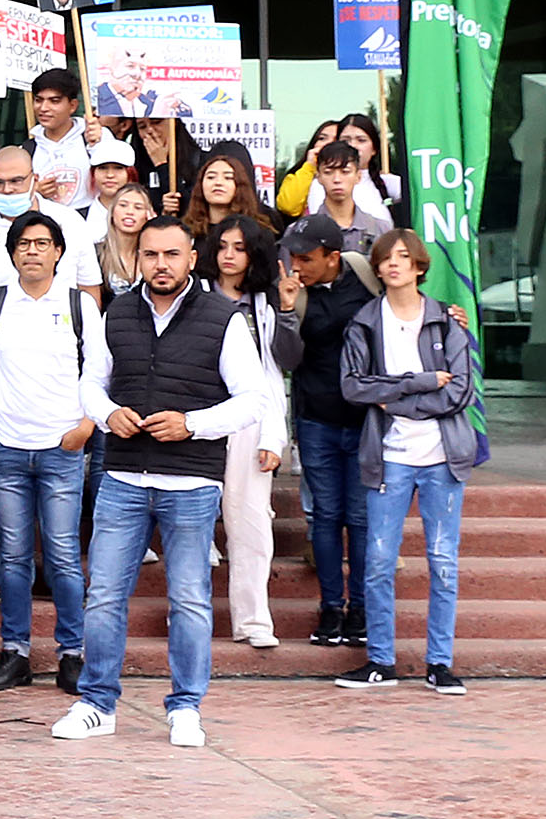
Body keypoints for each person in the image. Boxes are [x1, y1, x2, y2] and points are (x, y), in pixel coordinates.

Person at [54, 220, 279, 748]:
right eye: (151, 254)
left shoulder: (223, 317)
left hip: (192, 481)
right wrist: (107, 414)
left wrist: (192, 424)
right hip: (122, 476)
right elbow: (91, 381)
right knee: (103, 595)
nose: (161, 264)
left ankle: (186, 707)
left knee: (191, 599)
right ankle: (97, 703)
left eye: (172, 254)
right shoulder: (117, 312)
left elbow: (252, 399)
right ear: (139, 258)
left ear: (192, 258)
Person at [336, 230, 481, 694]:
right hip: (389, 455)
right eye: (386, 258)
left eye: (404, 257)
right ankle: (381, 660)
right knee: (378, 560)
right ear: (377, 268)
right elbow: (354, 386)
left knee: (443, 561)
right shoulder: (364, 323)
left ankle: (440, 663)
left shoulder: (446, 321)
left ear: (419, 266)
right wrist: (418, 383)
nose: (394, 264)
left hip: (442, 455)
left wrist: (394, 399)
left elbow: (460, 390)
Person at [0, 210, 102, 697]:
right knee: (12, 558)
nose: (32, 251)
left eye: (42, 243)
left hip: (61, 448)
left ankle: (72, 654)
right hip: (8, 447)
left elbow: (100, 372)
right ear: (12, 252)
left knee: (63, 555)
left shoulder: (80, 304)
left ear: (58, 251)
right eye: (23, 244)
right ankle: (15, 652)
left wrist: (85, 427)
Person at [279, 212, 382, 648]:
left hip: (363, 419)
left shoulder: (366, 279)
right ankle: (330, 607)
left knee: (359, 518)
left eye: (306, 258)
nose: (297, 265)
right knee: (324, 516)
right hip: (315, 417)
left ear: (333, 257)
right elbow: (287, 359)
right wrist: (287, 310)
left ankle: (360, 607)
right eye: (293, 257)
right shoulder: (294, 291)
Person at [201, 214, 298, 652]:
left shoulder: (265, 302)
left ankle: (253, 619)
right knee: (192, 525)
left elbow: (276, 372)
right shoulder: (195, 294)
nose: (229, 256)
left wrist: (272, 436)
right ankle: (189, 615)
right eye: (223, 246)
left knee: (252, 523)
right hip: (198, 418)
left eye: (239, 248)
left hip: (249, 420)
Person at [0, 142, 96, 326]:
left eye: (16, 181)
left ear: (35, 180)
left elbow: (89, 290)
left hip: (62, 336)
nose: (7, 189)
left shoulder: (70, 222)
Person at [304, 137, 394, 253]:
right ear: (319, 177)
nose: (337, 179)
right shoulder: (301, 232)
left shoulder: (382, 230)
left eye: (345, 172)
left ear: (358, 176)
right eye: (328, 172)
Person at [21, 69, 93, 197]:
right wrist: (33, 192)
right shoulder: (27, 150)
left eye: (54, 101)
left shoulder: (92, 139)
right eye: (38, 100)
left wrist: (97, 145)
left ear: (73, 105)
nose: (43, 108)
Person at [181, 142, 270, 240]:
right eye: (211, 177)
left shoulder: (258, 233)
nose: (218, 183)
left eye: (228, 178)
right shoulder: (185, 233)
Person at [95, 182, 157, 292]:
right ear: (112, 211)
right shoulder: (96, 253)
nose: (130, 212)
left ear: (148, 215)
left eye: (138, 207)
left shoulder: (155, 255)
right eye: (123, 205)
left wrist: (153, 230)